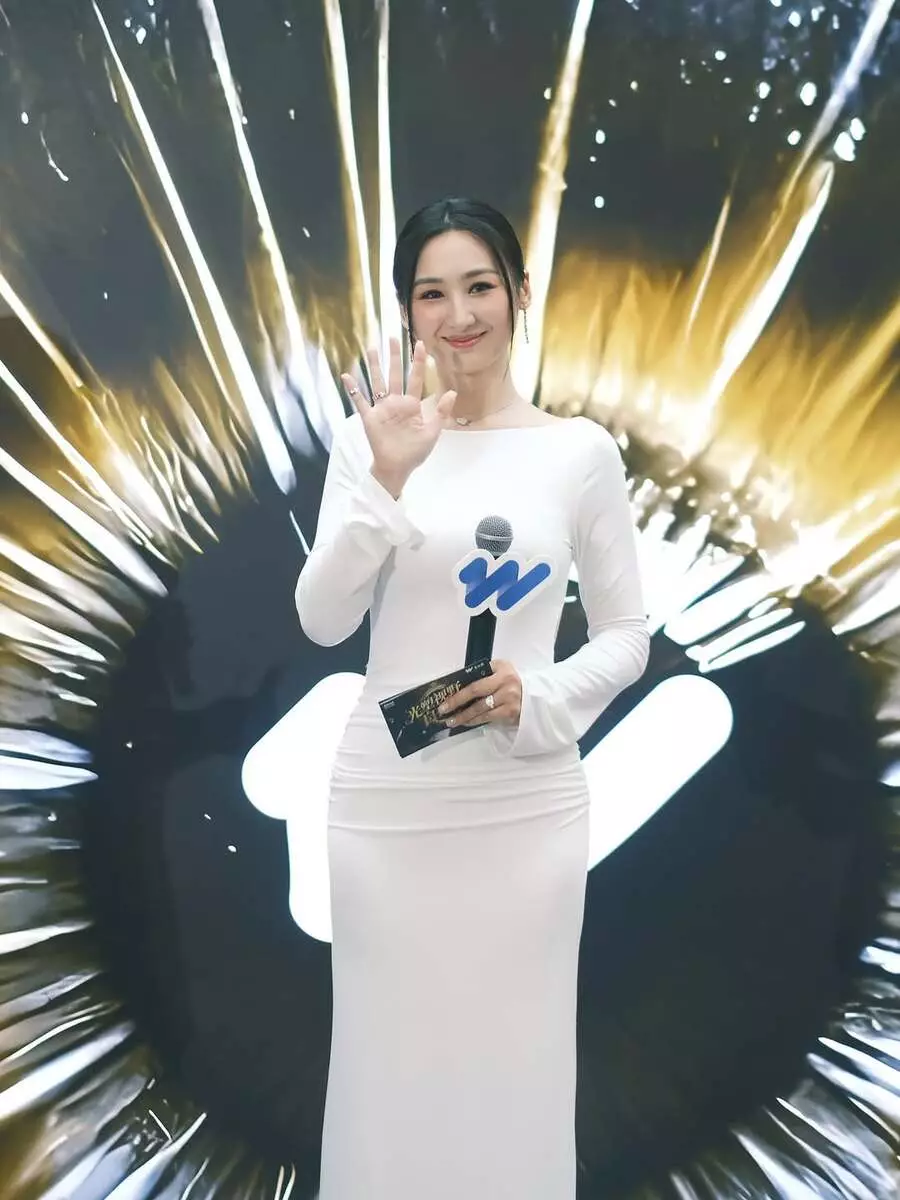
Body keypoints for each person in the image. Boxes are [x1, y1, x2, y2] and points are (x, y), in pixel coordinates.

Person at [295, 197, 649, 1199]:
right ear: (408, 311)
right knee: (385, 1075)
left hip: (524, 810)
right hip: (387, 807)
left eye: (480, 286)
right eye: (431, 294)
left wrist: (536, 696)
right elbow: (322, 619)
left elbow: (628, 635)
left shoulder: (578, 453)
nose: (459, 316)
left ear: (520, 294)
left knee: (515, 1075)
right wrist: (386, 482)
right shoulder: (372, 443)